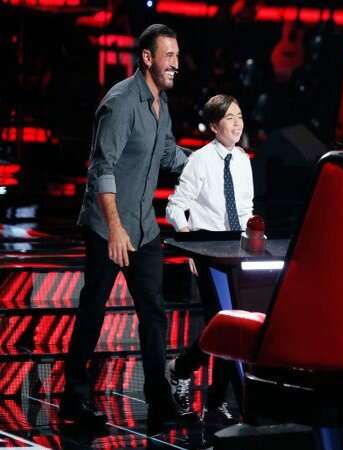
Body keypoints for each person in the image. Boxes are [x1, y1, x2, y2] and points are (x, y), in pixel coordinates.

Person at [59, 24, 188, 426]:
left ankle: (159, 401)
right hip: (107, 226)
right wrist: (115, 229)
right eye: (169, 56)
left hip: (144, 227)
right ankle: (74, 398)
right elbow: (102, 168)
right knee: (93, 310)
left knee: (154, 311)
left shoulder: (161, 103)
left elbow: (168, 154)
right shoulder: (120, 103)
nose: (176, 64)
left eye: (178, 57)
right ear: (148, 58)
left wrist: (211, 161)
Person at [166, 94, 253, 425]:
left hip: (237, 250)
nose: (237, 123)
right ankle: (184, 371)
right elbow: (176, 206)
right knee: (224, 324)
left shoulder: (243, 160)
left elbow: (245, 208)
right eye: (229, 118)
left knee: (231, 326)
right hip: (208, 251)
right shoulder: (200, 160)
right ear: (215, 126)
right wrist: (191, 243)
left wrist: (252, 237)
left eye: (240, 116)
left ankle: (209, 396)